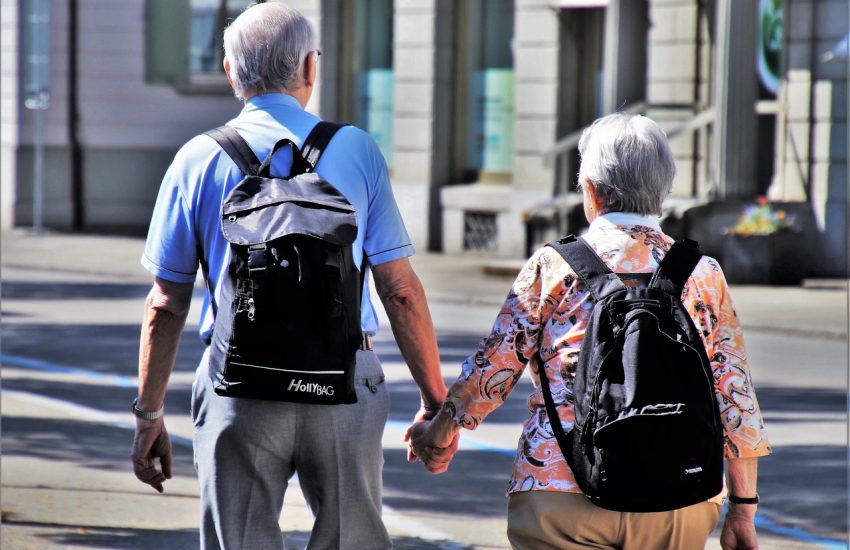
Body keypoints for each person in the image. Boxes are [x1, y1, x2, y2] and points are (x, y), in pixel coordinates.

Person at [130, 4, 454, 548]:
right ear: (310, 66)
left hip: (239, 387)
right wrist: (434, 401)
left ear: (231, 73)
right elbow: (399, 290)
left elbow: (166, 304)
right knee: (353, 538)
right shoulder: (357, 149)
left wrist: (149, 416)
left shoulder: (196, 159)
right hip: (345, 381)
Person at [409, 113, 771, 550]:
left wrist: (441, 430)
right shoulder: (703, 274)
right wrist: (743, 507)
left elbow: (495, 366)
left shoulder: (554, 265)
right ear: (662, 190)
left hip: (560, 489)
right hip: (680, 497)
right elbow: (736, 398)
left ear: (593, 191)